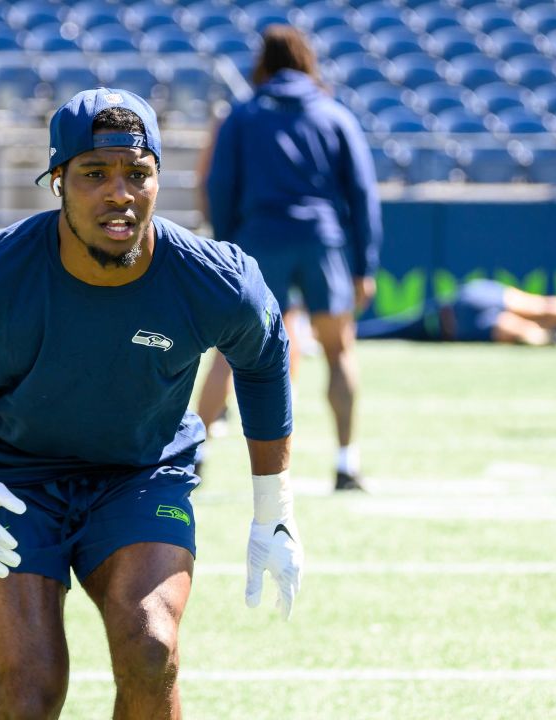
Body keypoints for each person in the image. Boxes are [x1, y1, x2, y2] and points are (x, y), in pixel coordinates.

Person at [0, 88, 303, 719]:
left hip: (141, 475)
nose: (119, 193)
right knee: (29, 693)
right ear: (58, 181)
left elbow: (264, 358)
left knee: (151, 650)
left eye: (137, 173)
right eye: (94, 174)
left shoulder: (215, 278)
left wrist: (273, 512)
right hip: (15, 476)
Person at [200, 25, 384, 491]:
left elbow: (219, 187)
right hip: (321, 242)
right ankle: (346, 463)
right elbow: (363, 194)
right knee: (338, 348)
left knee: (229, 348)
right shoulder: (334, 114)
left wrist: (227, 248)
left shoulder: (243, 116)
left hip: (260, 241)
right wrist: (365, 264)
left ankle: (194, 458)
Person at [355, 279, 556, 345]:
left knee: (529, 316)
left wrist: (543, 339)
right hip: (472, 297)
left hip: (463, 315)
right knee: (535, 307)